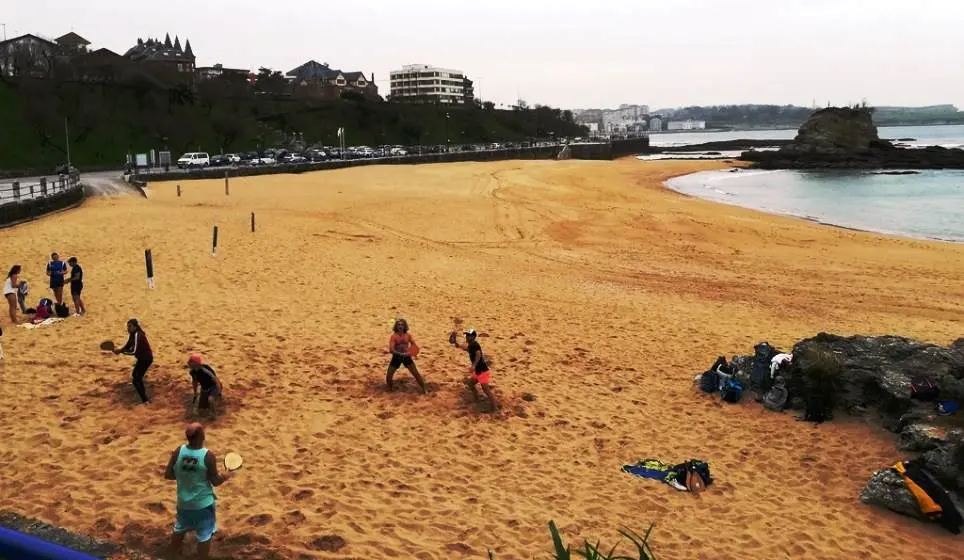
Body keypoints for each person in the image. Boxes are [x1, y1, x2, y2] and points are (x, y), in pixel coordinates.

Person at [164, 423, 232, 559]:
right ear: (202, 436)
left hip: (183, 502)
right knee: (204, 535)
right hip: (203, 504)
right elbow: (216, 481)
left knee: (180, 527)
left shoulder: (179, 451)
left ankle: (169, 554)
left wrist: (186, 474)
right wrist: (226, 475)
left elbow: (168, 475)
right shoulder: (207, 456)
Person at [450, 328, 497, 412]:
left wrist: (474, 365)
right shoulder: (471, 345)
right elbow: (465, 348)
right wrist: (455, 343)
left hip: (482, 371)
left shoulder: (475, 345)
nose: (467, 337)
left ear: (473, 337)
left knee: (486, 390)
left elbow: (478, 354)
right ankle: (477, 399)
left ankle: (495, 408)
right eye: (466, 335)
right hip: (478, 372)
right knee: (470, 384)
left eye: (469, 335)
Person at [114, 319, 153, 404]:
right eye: (127, 327)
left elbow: (134, 351)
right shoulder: (133, 334)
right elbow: (128, 345)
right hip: (142, 358)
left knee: (136, 379)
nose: (128, 328)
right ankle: (143, 394)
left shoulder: (138, 335)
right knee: (136, 375)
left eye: (130, 326)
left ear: (135, 327)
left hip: (146, 359)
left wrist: (121, 352)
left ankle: (145, 400)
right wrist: (120, 350)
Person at [386, 318, 427, 393]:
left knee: (416, 374)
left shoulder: (408, 335)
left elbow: (414, 345)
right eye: (398, 325)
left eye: (402, 325)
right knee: (389, 375)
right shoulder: (394, 336)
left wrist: (411, 352)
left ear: (405, 326)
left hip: (406, 356)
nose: (400, 326)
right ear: (396, 326)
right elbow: (391, 349)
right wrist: (400, 354)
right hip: (397, 357)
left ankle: (424, 389)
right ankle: (390, 389)